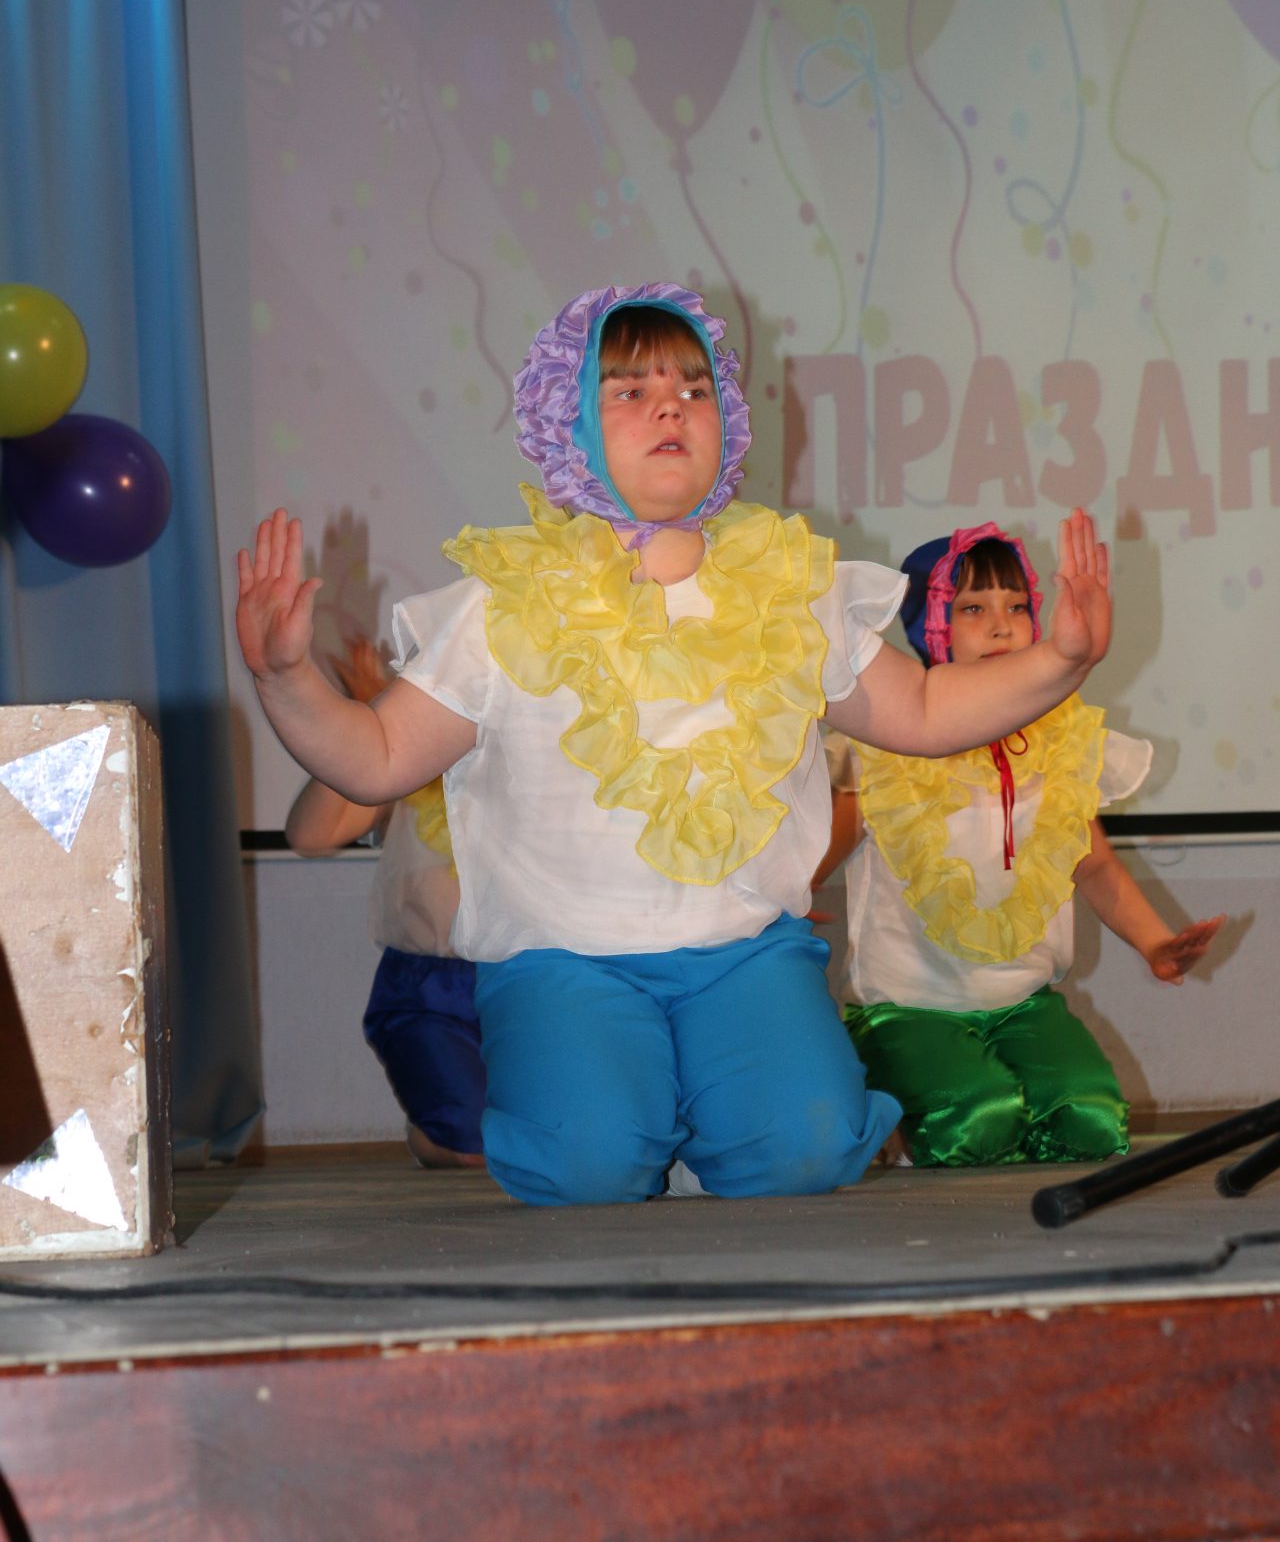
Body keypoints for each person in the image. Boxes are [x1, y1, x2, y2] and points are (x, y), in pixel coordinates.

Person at [235, 283, 1113, 1208]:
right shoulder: (506, 602)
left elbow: (926, 712)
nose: (670, 408)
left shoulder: (787, 586)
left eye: (694, 389)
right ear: (569, 423)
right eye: (630, 390)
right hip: (562, 961)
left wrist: (1060, 659)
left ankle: (709, 1123)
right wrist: (286, 680)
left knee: (805, 1152)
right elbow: (375, 756)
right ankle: (636, 1117)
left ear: (726, 420)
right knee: (588, 1166)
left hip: (745, 955)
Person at [834, 523, 1225, 1168]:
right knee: (977, 1124)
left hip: (1024, 1004)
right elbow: (811, 861)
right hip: (909, 1010)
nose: (1001, 627)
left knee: (1090, 1125)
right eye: (972, 609)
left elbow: (1096, 866)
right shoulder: (882, 751)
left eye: (1017, 607)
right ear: (931, 625)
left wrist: (1157, 945)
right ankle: (878, 1096)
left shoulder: (1058, 744)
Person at [284, 635, 484, 1170]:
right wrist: (366, 728)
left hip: (531, 978)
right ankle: (436, 1131)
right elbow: (310, 835)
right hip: (430, 985)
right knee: (470, 1149)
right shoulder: (413, 756)